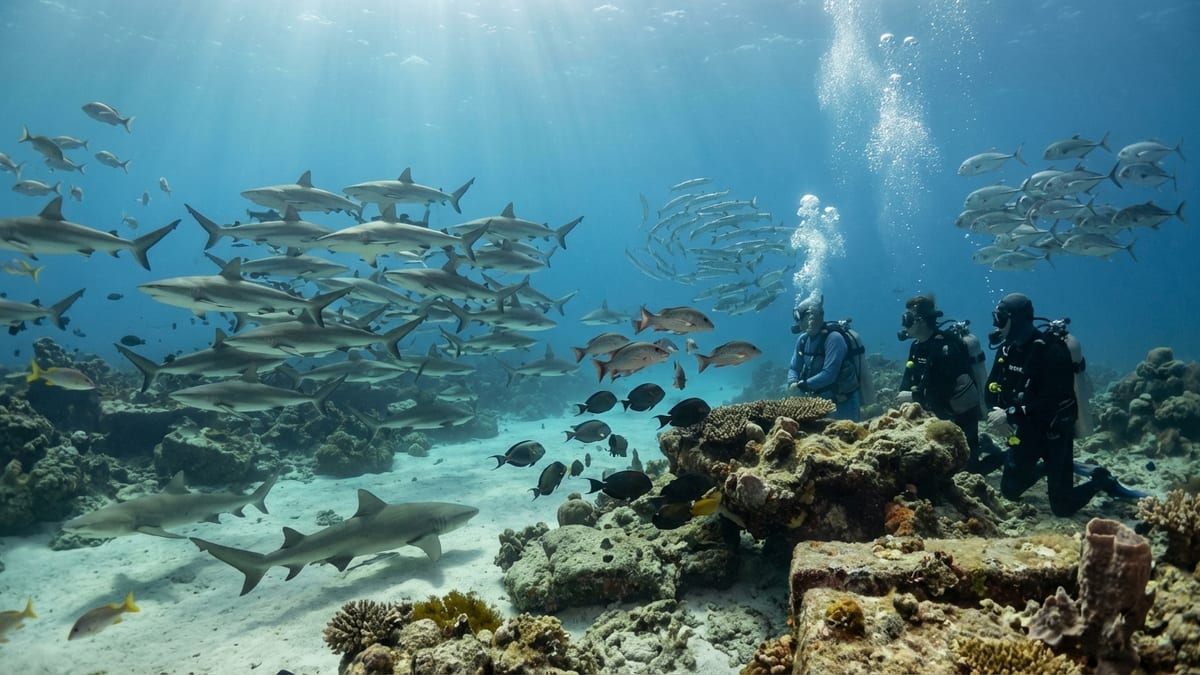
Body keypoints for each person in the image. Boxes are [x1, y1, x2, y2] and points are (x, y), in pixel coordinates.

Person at [984, 292, 1118, 516]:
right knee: (1009, 490)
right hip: (1027, 429)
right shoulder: (1006, 351)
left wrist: (1010, 414)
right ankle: (1045, 468)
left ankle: (1101, 480)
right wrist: (997, 412)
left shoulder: (1051, 350)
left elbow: (1053, 401)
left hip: (1054, 433)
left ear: (1015, 319)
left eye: (1000, 318)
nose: (996, 325)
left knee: (1062, 507)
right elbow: (991, 391)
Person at [895, 294, 996, 473]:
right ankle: (982, 443)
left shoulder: (948, 346)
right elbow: (908, 377)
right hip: (934, 412)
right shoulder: (916, 346)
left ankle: (999, 455)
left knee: (968, 470)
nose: (904, 325)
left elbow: (945, 389)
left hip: (960, 413)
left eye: (907, 319)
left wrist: (914, 397)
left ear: (920, 321)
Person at [786, 294, 861, 421]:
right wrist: (792, 381)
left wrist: (802, 386)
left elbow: (829, 374)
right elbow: (794, 367)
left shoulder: (834, 338)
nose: (797, 322)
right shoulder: (803, 340)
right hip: (817, 403)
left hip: (842, 404)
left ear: (811, 316)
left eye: (798, 316)